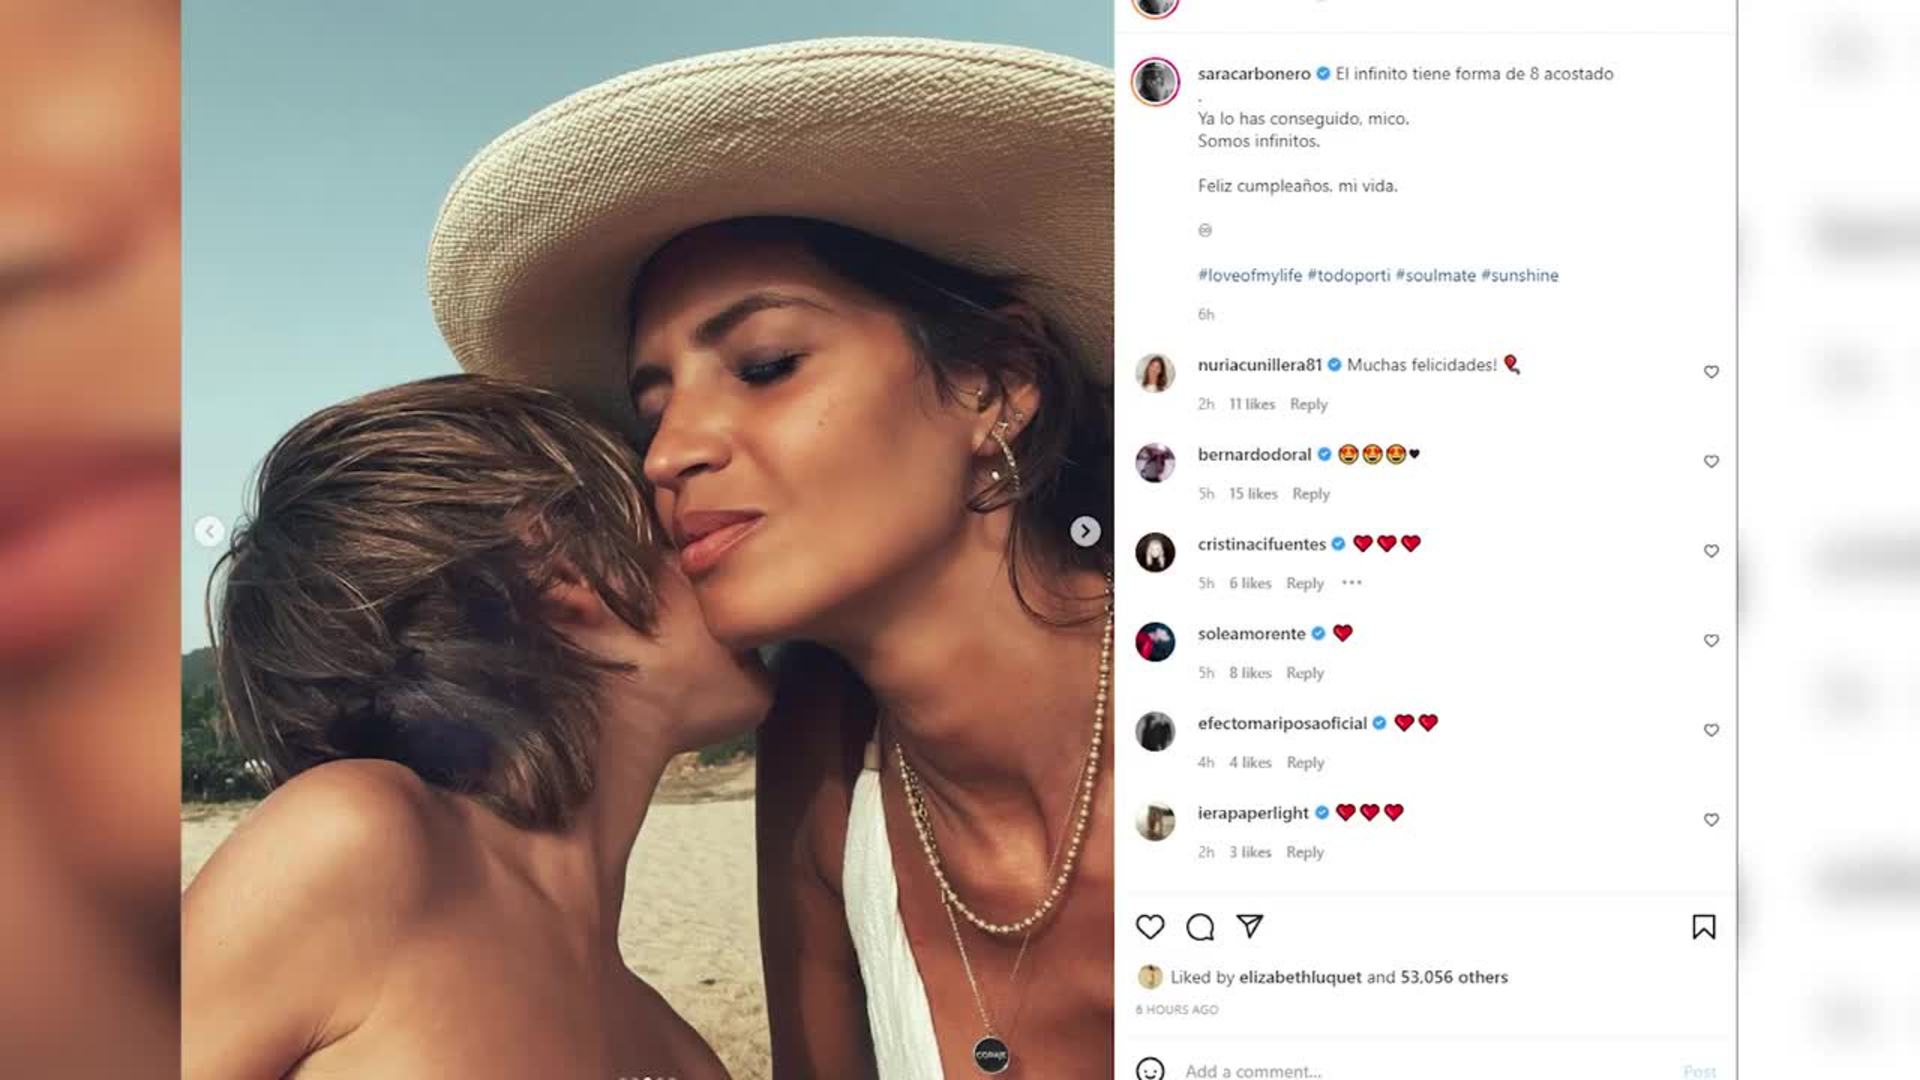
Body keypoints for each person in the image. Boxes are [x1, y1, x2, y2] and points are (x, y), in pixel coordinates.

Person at [426, 38, 1116, 1079]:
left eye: (765, 364)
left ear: (995, 384)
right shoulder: (825, 760)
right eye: (650, 413)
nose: (668, 454)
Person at [181, 376, 772, 1080]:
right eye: (672, 528)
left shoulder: (684, 1056)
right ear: (559, 560)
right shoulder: (363, 843)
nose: (718, 559)